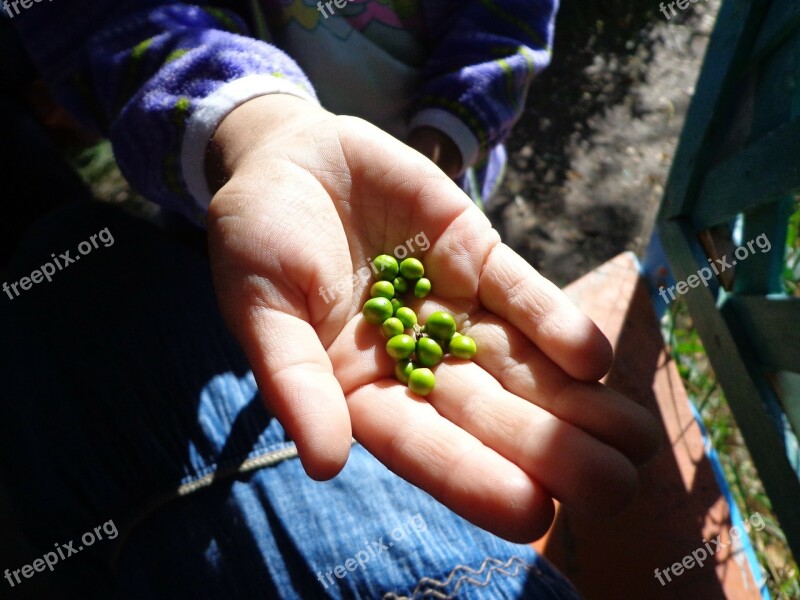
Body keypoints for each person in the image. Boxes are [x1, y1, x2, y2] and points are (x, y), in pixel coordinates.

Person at [1, 2, 660, 597]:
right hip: (234, 210)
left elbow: (505, 29)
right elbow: (94, 23)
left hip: (437, 200)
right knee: (246, 327)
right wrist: (254, 129)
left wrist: (444, 138)